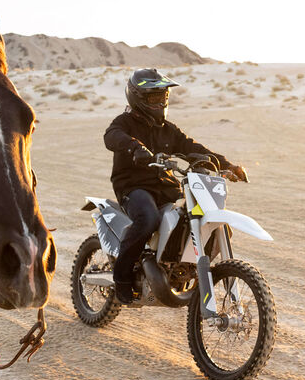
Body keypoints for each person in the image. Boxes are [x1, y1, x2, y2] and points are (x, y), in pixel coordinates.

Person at [103, 68, 247, 304]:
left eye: (163, 97)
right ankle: (122, 278)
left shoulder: (168, 129)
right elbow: (111, 136)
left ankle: (185, 271)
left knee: (198, 219)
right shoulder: (124, 122)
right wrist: (134, 148)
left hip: (165, 187)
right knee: (147, 218)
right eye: (154, 98)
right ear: (138, 98)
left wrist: (226, 164)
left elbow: (193, 148)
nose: (160, 102)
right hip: (133, 187)